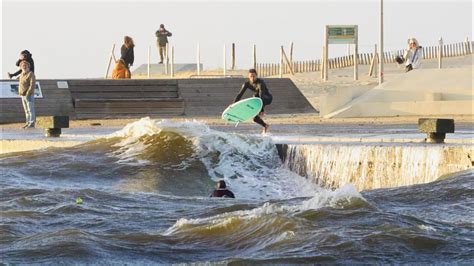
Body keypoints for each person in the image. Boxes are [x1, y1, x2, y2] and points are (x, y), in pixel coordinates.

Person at [234, 69, 273, 134]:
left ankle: (260, 111)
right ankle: (265, 125)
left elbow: (261, 95)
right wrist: (233, 104)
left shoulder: (261, 83)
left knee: (255, 96)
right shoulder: (246, 84)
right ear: (248, 77)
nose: (252, 78)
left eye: (254, 76)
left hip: (267, 98)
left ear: (256, 76)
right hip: (258, 100)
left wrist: (262, 109)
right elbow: (240, 94)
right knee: (255, 119)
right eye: (251, 76)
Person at [18, 61, 36, 128]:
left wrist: (28, 93)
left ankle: (32, 123)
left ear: (28, 66)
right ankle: (27, 122)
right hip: (22, 95)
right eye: (22, 66)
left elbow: (32, 85)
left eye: (25, 65)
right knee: (26, 110)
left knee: (30, 109)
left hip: (29, 95)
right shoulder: (21, 74)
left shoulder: (31, 74)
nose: (24, 67)